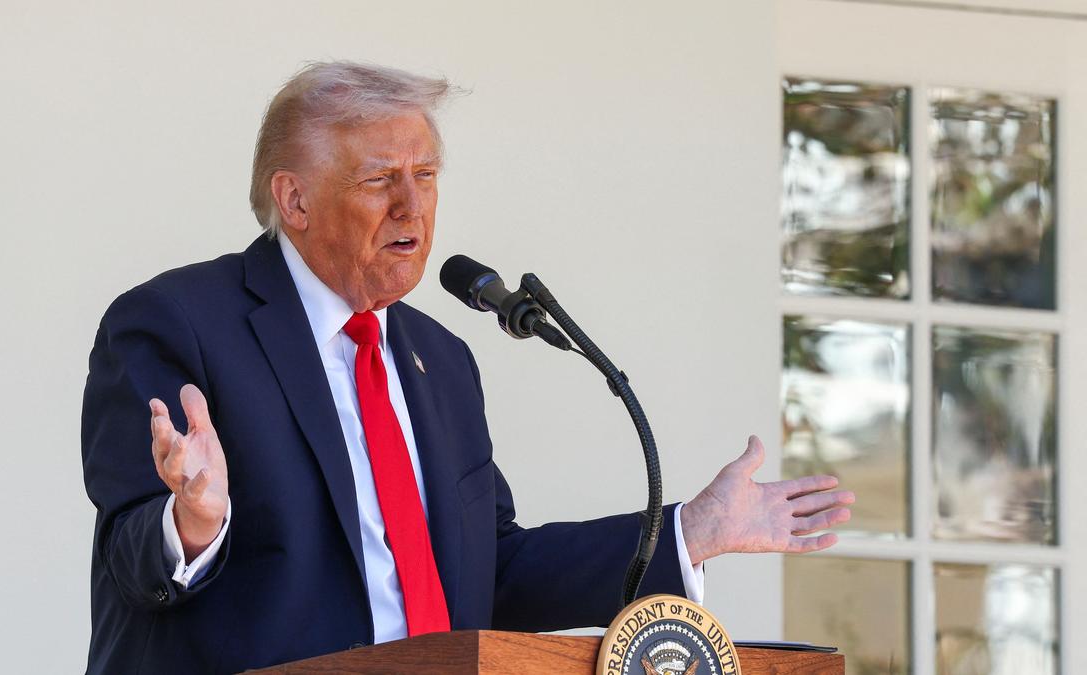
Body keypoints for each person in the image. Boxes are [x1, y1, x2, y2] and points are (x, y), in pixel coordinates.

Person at [81, 61, 854, 674]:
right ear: (295, 200)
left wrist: (691, 531)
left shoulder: (441, 360)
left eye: (426, 176)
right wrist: (193, 523)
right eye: (380, 179)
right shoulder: (178, 323)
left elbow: (492, 573)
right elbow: (131, 558)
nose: (412, 207)